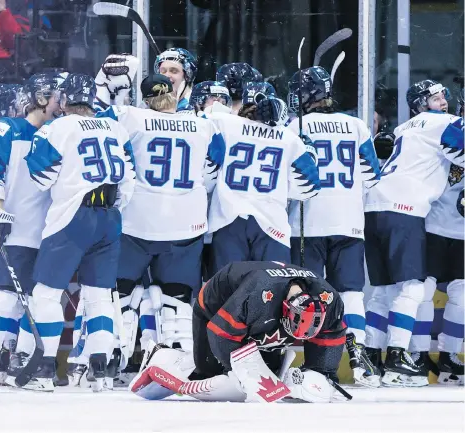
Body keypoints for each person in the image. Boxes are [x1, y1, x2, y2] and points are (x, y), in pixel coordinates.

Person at [97, 74, 225, 368]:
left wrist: (115, 94)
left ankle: (113, 356)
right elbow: (212, 168)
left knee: (121, 292)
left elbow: (94, 123)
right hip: (185, 223)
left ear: (145, 99)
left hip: (136, 222)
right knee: (177, 296)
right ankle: (179, 357)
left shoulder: (129, 116)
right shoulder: (203, 124)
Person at [20, 73, 135, 392]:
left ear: (65, 100)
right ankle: (102, 370)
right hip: (110, 217)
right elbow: (130, 177)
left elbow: (41, 177)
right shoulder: (115, 127)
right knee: (99, 295)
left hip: (72, 216)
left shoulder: (57, 128)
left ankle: (44, 370)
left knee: (45, 293)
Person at [363, 79, 464, 387]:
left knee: (382, 292)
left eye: (443, 96)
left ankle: (371, 361)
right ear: (422, 103)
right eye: (435, 97)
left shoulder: (406, 128)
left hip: (373, 205)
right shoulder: (444, 123)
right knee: (413, 289)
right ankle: (399, 359)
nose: (442, 101)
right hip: (406, 209)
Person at [286, 66, 381, 388]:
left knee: (310, 294)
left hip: (307, 222)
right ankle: (358, 353)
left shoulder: (295, 125)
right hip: (348, 222)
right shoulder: (355, 125)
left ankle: (316, 362)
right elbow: (372, 176)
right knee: (351, 291)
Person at [130, 261, 346, 403]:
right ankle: (162, 354)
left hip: (264, 312)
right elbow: (220, 331)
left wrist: (322, 373)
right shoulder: (257, 295)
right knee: (212, 373)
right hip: (217, 308)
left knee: (269, 376)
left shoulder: (329, 299)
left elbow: (332, 335)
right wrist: (237, 371)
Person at [206, 82, 320, 277]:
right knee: (271, 296)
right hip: (271, 224)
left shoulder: (223, 123)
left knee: (227, 295)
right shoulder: (289, 137)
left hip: (228, 221)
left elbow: (194, 123)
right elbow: (309, 188)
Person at [0, 73, 63, 386]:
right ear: (40, 98)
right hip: (17, 229)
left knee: (39, 301)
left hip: (53, 232)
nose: (61, 103)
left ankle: (21, 359)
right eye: (55, 97)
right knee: (8, 297)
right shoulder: (8, 129)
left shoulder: (61, 131)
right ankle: (1, 356)